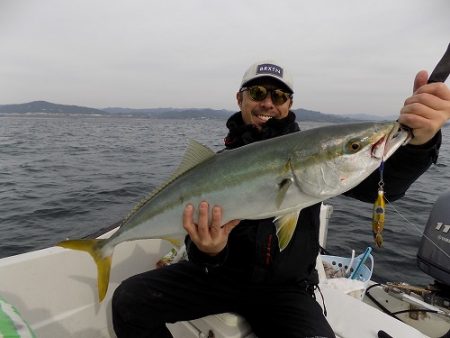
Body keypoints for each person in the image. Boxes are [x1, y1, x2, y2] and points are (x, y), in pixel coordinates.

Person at [112, 60, 450, 338]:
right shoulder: (212, 167)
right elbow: (196, 239)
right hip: (216, 277)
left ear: (289, 104)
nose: (268, 102)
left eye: (279, 95)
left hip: (285, 289)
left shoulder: (310, 152)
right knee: (129, 301)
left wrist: (419, 143)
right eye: (257, 92)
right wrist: (209, 251)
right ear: (240, 99)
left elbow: (382, 183)